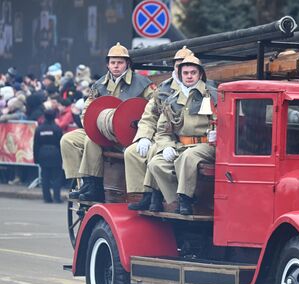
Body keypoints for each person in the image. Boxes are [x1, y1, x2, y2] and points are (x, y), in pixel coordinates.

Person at [61, 42, 154, 202]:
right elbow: (87, 109)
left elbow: (154, 107)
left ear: (127, 64)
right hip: (100, 130)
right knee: (67, 140)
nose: (116, 66)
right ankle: (84, 182)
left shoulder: (143, 83)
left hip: (128, 134)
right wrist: (91, 126)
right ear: (107, 64)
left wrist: (144, 133)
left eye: (120, 62)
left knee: (92, 141)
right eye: (113, 62)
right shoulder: (99, 84)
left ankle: (95, 185)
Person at [125, 46, 194, 211]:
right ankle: (143, 194)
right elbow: (149, 115)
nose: (181, 69)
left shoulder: (198, 87)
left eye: (185, 65)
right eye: (178, 65)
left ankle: (155, 195)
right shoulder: (164, 88)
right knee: (132, 152)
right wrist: (144, 136)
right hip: (161, 135)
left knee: (154, 152)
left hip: (177, 138)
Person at [148, 56, 217, 215]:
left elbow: (225, 120)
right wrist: (166, 146)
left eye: (193, 72)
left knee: (187, 157)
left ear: (200, 74)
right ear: (180, 75)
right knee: (156, 164)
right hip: (181, 145)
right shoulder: (172, 99)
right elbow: (163, 131)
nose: (189, 76)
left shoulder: (211, 94)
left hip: (207, 145)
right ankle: (176, 201)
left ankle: (186, 198)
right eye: (185, 73)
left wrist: (219, 134)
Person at [33, 109, 63, 203]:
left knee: (45, 177)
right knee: (56, 177)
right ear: (54, 117)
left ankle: (47, 198)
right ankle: (57, 198)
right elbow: (60, 143)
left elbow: (36, 145)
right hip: (55, 154)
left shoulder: (39, 129)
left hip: (42, 154)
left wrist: (36, 158)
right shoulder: (57, 129)